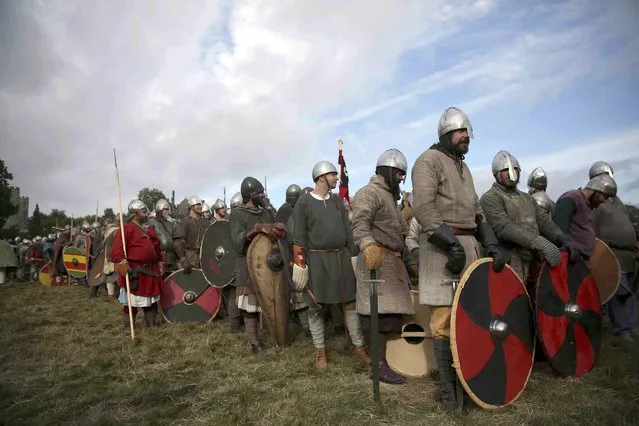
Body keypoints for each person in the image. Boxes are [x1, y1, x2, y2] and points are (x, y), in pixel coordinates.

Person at [411, 106, 507, 414]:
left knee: (470, 317)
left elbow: (476, 209)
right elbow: (423, 207)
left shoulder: (462, 166)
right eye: (461, 131)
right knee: (443, 321)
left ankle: (469, 383)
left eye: (468, 131)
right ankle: (450, 395)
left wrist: (490, 241)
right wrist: (450, 244)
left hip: (467, 247)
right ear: (445, 133)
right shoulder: (428, 161)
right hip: (441, 247)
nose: (467, 136)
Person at [291, 161, 370, 369]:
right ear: (320, 177)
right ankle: (320, 352)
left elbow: (349, 233)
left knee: (350, 303)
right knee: (316, 307)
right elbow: (298, 238)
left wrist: (353, 257)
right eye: (333, 175)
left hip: (341, 258)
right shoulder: (304, 202)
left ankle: (359, 346)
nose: (337, 178)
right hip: (317, 260)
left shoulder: (336, 201)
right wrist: (301, 266)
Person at [351, 149, 414, 384]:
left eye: (402, 175)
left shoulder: (389, 197)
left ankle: (386, 362)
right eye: (398, 173)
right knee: (376, 318)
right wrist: (368, 245)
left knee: (389, 317)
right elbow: (359, 224)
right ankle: (378, 367)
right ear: (386, 171)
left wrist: (405, 219)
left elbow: (398, 231)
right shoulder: (369, 193)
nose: (400, 178)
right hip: (375, 262)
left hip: (392, 263)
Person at [480, 151, 575, 292]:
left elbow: (544, 222)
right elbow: (504, 228)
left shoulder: (527, 198)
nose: (511, 173)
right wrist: (538, 242)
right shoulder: (490, 197)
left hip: (533, 260)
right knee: (513, 303)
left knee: (537, 303)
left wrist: (561, 237)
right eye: (505, 170)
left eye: (515, 169)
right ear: (497, 173)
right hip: (510, 259)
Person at [229, 177, 286, 353]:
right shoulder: (237, 214)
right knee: (250, 306)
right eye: (258, 192)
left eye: (262, 191)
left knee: (271, 299)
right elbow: (237, 243)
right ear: (248, 195)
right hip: (246, 263)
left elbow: (271, 238)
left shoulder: (265, 212)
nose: (262, 195)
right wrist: (256, 228)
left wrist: (278, 230)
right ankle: (254, 343)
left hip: (267, 262)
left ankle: (278, 337)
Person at [590, 161, 638, 346]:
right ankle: (621, 331)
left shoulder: (617, 202)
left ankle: (632, 328)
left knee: (630, 293)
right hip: (612, 254)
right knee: (618, 293)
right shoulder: (596, 203)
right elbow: (592, 231)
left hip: (628, 254)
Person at [110, 200, 163, 329]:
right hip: (134, 271)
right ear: (135, 214)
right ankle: (128, 325)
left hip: (150, 270)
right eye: (144, 212)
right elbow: (117, 248)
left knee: (151, 300)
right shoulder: (127, 228)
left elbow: (155, 247)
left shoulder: (146, 229)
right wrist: (122, 262)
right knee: (130, 301)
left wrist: (160, 260)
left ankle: (151, 323)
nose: (147, 215)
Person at [553, 173, 618, 261]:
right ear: (597, 190)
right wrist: (567, 247)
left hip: (581, 261)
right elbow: (557, 229)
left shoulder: (586, 205)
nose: (604, 201)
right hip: (570, 260)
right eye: (605, 196)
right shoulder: (572, 198)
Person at [173, 196, 208, 273]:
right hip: (191, 257)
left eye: (200, 205)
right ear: (192, 206)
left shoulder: (204, 222)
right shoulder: (185, 222)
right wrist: (183, 259)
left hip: (204, 257)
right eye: (197, 204)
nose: (200, 206)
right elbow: (178, 242)